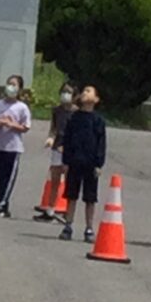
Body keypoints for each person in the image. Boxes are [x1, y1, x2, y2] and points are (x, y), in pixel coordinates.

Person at [57, 83, 106, 242]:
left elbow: (101, 143)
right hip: (75, 161)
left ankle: (89, 227)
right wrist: (65, 161)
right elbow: (68, 140)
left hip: (91, 163)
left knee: (90, 197)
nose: (85, 93)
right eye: (84, 90)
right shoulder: (74, 118)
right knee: (71, 195)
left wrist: (99, 164)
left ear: (96, 99)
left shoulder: (98, 120)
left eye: (89, 91)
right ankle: (68, 225)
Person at [0, 73, 32, 216]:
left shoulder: (22, 107)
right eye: (9, 83)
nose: (10, 87)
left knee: (8, 177)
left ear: (20, 89)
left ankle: (3, 204)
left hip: (12, 148)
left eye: (14, 84)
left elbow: (25, 127)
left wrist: (12, 124)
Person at [35, 81, 76, 222]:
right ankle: (50, 210)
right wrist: (50, 138)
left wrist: (69, 147)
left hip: (71, 150)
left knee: (71, 182)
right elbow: (53, 128)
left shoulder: (76, 113)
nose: (65, 95)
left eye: (69, 92)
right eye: (63, 91)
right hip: (57, 148)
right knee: (55, 180)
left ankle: (68, 213)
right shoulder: (57, 111)